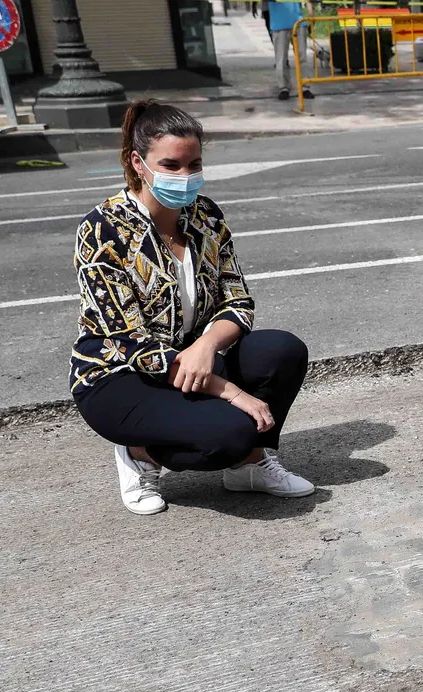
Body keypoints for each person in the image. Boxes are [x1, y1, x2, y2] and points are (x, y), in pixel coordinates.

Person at [72, 101, 314, 515]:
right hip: (120, 376)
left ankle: (249, 468)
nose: (185, 177)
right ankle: (139, 452)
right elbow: (133, 343)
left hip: (195, 362)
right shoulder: (102, 229)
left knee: (282, 351)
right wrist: (233, 393)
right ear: (138, 161)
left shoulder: (206, 216)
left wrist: (206, 346)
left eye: (194, 164)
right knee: (231, 432)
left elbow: (237, 300)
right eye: (171, 164)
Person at [263, 0, 313, 102]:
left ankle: (305, 86)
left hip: (298, 22)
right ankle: (283, 88)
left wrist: (311, 13)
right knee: (281, 59)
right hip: (279, 24)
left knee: (302, 56)